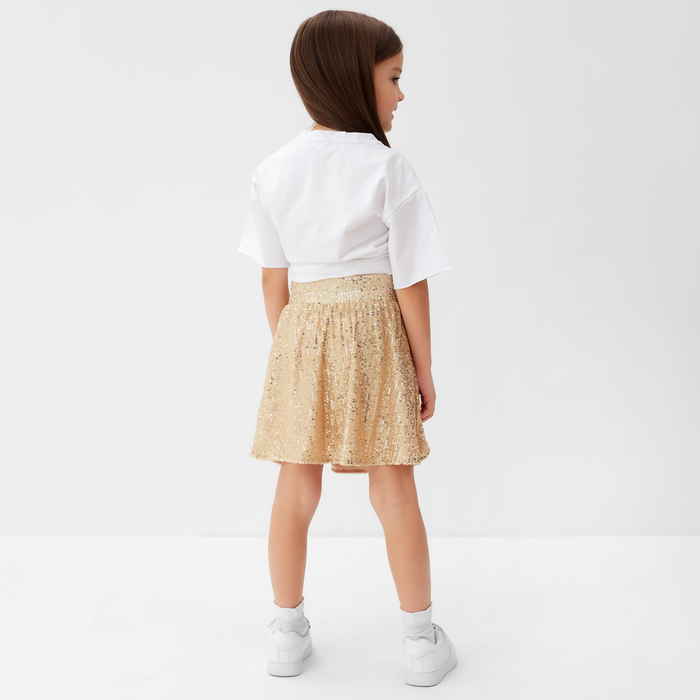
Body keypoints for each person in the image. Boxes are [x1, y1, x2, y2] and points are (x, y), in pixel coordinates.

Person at [237, 9, 458, 687]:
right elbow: (410, 281)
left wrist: (293, 358)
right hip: (376, 330)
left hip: (301, 329)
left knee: (294, 488)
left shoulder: (273, 170)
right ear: (352, 80)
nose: (401, 94)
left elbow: (272, 280)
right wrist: (422, 368)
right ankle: (420, 642)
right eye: (393, 78)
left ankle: (286, 633)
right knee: (394, 488)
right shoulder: (388, 168)